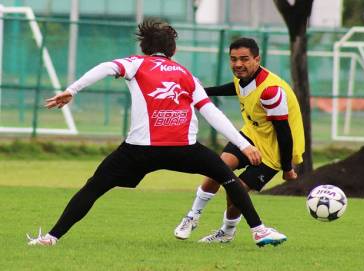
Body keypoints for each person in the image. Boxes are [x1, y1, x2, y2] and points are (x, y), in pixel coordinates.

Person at [26, 21, 288, 247]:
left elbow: (106, 67)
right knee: (227, 177)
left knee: (94, 187)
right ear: (172, 50)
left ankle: (51, 237)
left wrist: (73, 89)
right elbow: (212, 114)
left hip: (139, 150)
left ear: (144, 47)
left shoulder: (136, 63)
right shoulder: (187, 75)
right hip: (184, 149)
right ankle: (259, 230)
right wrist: (243, 145)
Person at [174, 37, 305, 243]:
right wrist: (200, 93)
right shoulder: (243, 77)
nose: (238, 64)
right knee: (217, 168)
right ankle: (192, 216)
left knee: (237, 191)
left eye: (244, 59)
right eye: (233, 59)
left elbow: (284, 133)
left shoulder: (271, 91)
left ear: (257, 59)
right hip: (251, 135)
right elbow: (233, 88)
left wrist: (287, 168)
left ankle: (226, 232)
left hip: (275, 150)